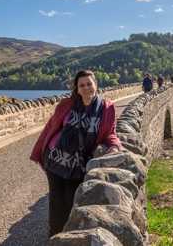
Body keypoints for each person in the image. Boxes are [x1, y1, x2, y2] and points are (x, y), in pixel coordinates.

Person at [30, 70, 122, 237]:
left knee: (72, 201)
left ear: (96, 85)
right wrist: (41, 151)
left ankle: (70, 236)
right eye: (82, 85)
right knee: (56, 202)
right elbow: (51, 127)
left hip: (79, 163)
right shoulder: (66, 104)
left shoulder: (106, 108)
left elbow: (110, 132)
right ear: (77, 89)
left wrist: (114, 146)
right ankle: (55, 237)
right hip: (55, 159)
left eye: (89, 84)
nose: (86, 88)